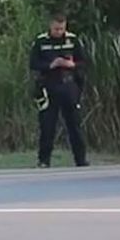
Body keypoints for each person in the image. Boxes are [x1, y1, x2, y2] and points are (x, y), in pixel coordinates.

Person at [29, 13, 89, 168]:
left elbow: (83, 62)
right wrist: (51, 65)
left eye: (62, 28)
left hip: (69, 86)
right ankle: (44, 160)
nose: (59, 32)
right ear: (50, 26)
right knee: (47, 125)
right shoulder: (41, 41)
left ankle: (81, 160)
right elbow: (33, 63)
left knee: (74, 125)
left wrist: (72, 65)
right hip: (49, 86)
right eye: (56, 29)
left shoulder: (72, 40)